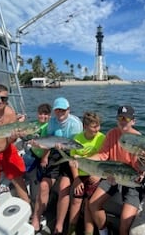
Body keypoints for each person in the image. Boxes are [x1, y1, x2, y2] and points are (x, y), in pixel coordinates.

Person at [88, 105, 145, 235]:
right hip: (111, 175)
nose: (123, 120)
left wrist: (143, 167)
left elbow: (140, 168)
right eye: (120, 117)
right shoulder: (112, 133)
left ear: (133, 121)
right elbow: (103, 155)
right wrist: (86, 161)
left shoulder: (139, 138)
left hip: (130, 179)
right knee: (93, 204)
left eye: (126, 118)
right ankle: (104, 232)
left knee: (125, 220)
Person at [30, 97, 83, 233]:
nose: (60, 113)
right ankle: (36, 218)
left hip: (70, 155)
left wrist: (66, 149)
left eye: (63, 110)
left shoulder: (75, 123)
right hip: (54, 153)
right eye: (57, 110)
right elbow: (48, 141)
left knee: (64, 189)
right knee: (43, 186)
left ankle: (59, 226)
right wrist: (44, 157)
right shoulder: (52, 122)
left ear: (68, 110)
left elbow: (76, 147)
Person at [68, 111, 106, 235]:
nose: (97, 129)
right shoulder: (77, 139)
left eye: (98, 126)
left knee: (89, 203)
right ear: (85, 127)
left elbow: (104, 159)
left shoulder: (102, 138)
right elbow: (73, 161)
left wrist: (98, 175)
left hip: (95, 174)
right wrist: (76, 179)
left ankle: (88, 232)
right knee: (76, 201)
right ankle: (71, 229)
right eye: (94, 126)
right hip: (80, 174)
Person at [22, 103, 52, 173]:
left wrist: (44, 158)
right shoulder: (34, 124)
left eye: (45, 114)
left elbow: (49, 146)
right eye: (40, 114)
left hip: (44, 155)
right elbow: (25, 133)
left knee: (41, 175)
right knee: (23, 167)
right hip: (33, 152)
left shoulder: (50, 127)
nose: (42, 116)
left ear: (50, 115)